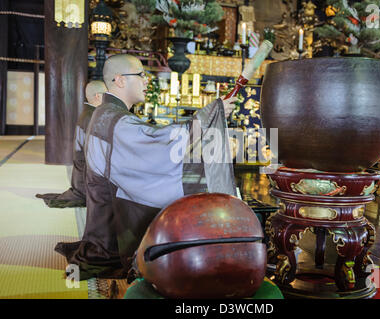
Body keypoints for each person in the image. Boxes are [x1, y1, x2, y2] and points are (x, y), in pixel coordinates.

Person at [55, 54, 238, 280]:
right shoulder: (114, 118)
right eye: (140, 74)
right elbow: (155, 141)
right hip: (112, 236)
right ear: (120, 80)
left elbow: (148, 145)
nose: (146, 81)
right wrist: (208, 117)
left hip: (105, 219)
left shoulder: (107, 113)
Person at [36, 81, 107, 208]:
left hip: (81, 170)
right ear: (98, 96)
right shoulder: (92, 116)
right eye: (106, 95)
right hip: (85, 176)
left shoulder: (88, 113)